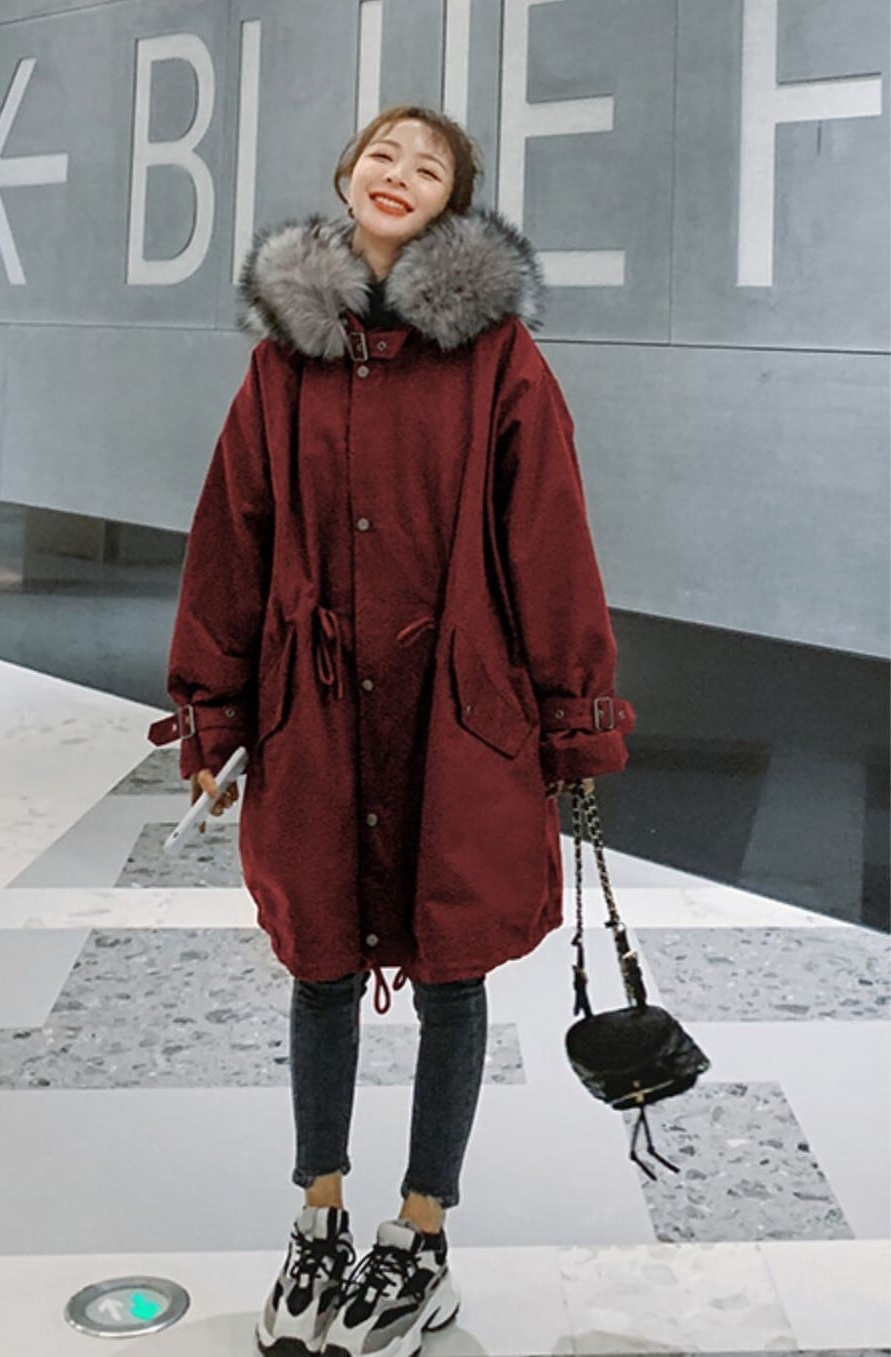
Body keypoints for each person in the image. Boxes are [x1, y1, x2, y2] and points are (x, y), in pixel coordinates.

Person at [148, 104, 635, 1357]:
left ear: (449, 203)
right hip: (316, 709)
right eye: (382, 154)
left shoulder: (499, 359)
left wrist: (573, 716)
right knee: (318, 962)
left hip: (458, 714)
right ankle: (317, 1219)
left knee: (452, 973)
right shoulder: (283, 363)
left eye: (428, 166)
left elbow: (551, 541)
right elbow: (233, 534)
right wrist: (213, 709)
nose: (398, 174)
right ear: (347, 175)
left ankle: (421, 1235)